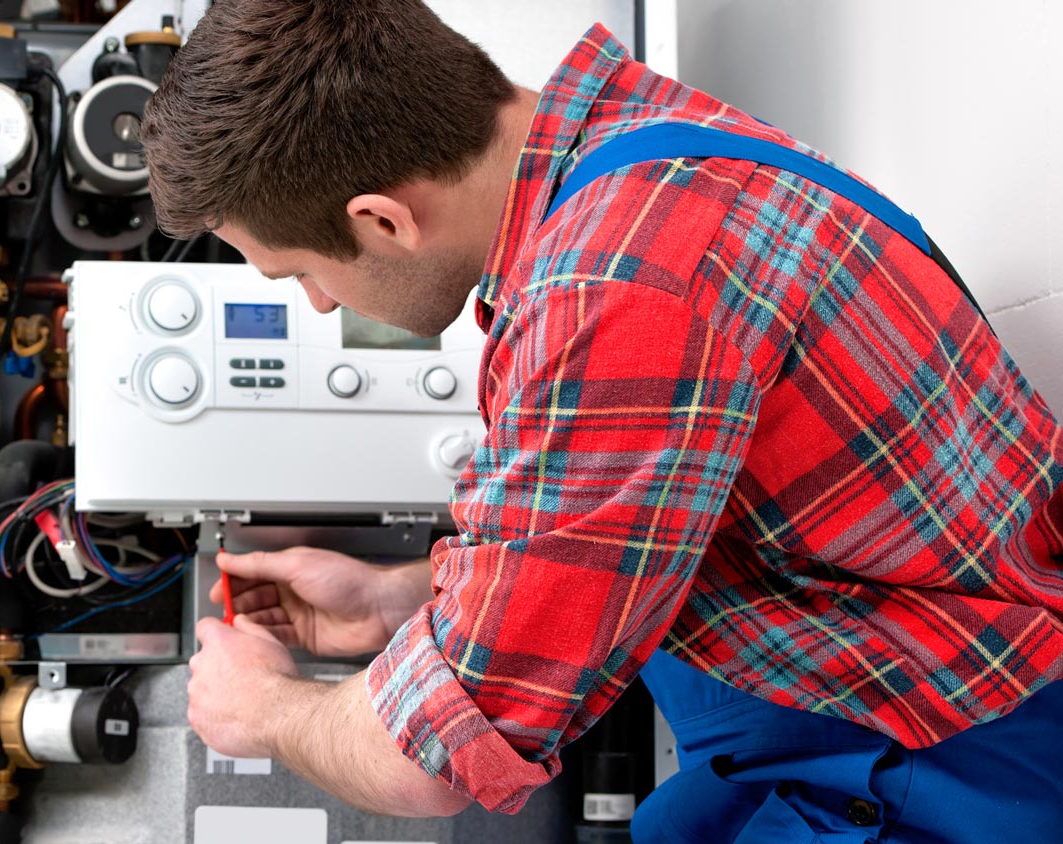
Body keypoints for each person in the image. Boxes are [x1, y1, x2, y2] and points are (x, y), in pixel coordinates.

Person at [140, 1, 1063, 839]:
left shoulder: (617, 290)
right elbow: (628, 528)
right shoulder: (634, 146)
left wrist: (262, 708)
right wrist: (400, 599)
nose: (314, 306)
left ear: (384, 221)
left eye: (295, 272)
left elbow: (433, 761)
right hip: (855, 686)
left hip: (943, 756)